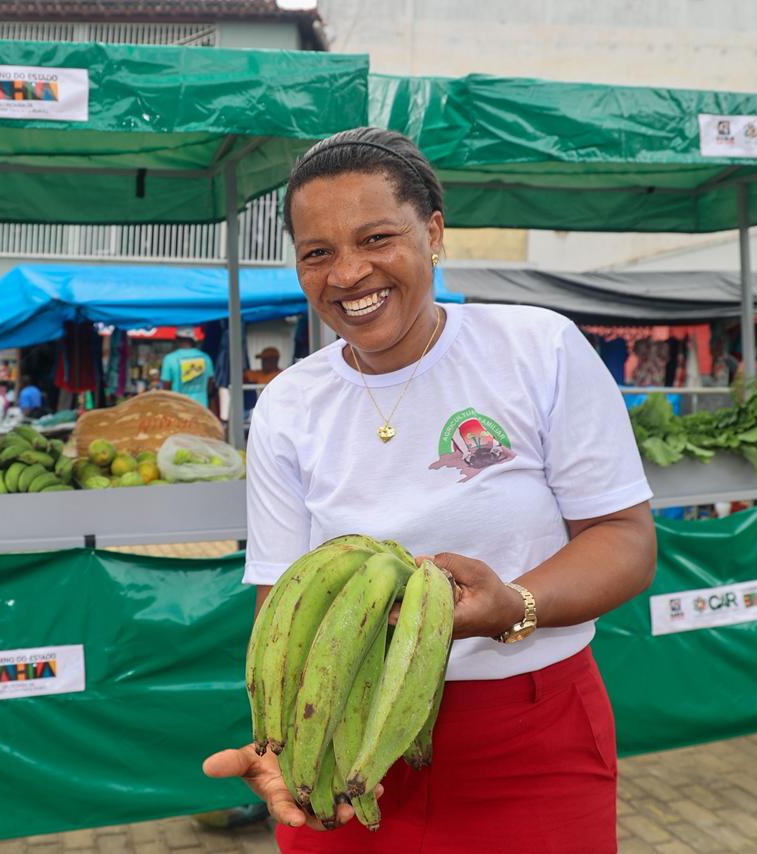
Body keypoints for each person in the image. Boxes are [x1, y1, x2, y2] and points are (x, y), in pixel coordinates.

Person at [201, 128, 657, 852]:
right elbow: (284, 601)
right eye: (317, 253)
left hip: (526, 733)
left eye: (376, 238)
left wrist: (515, 605)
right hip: (347, 737)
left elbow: (625, 540)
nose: (348, 273)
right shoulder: (289, 404)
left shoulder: (536, 349)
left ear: (434, 233)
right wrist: (284, 738)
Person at [160, 330, 215, 407]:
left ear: (177, 339)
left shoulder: (169, 359)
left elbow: (166, 388)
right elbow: (210, 387)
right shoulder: (205, 357)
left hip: (178, 410)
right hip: (201, 409)